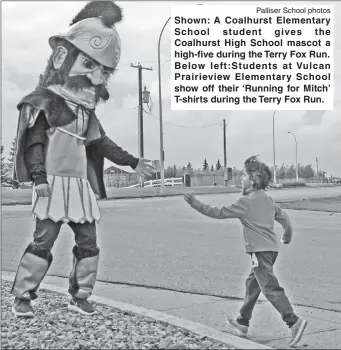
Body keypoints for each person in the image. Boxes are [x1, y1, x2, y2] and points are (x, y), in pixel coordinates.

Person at [11, 1, 154, 318]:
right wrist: (39, 178)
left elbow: (103, 144)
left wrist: (131, 162)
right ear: (62, 57)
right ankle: (23, 296)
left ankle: (80, 296)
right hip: (52, 184)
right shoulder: (46, 102)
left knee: (88, 242)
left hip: (79, 187)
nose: (97, 78)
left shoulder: (86, 114)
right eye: (90, 66)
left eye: (103, 71)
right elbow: (34, 143)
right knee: (44, 240)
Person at [184, 156, 307, 347]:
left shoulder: (245, 202)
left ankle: (293, 321)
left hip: (259, 252)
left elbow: (217, 212)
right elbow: (284, 218)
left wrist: (195, 203)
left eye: (244, 176)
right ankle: (243, 321)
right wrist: (287, 235)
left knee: (269, 287)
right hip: (271, 250)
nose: (241, 179)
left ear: (254, 180)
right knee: (253, 283)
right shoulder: (267, 199)